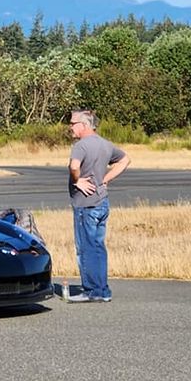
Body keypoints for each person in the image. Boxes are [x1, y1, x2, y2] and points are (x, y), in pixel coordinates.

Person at [66, 109, 129, 303]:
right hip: (102, 202)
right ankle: (103, 289)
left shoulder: (81, 146)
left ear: (84, 125)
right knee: (98, 246)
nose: (70, 127)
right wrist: (104, 180)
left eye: (72, 123)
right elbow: (125, 159)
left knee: (86, 247)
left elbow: (74, 166)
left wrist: (77, 181)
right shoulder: (105, 144)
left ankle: (91, 290)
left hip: (86, 205)